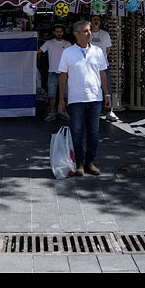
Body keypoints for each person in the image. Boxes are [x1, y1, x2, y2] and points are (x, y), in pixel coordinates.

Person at [57, 20, 112, 176]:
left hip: (95, 98)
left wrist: (106, 93)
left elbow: (103, 73)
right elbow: (63, 77)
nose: (90, 33)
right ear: (77, 34)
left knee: (94, 133)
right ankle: (79, 163)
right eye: (86, 31)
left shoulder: (98, 52)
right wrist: (61, 99)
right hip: (76, 99)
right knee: (77, 132)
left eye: (90, 31)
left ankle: (90, 162)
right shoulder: (68, 53)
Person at [38, 24, 71, 121]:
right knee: (52, 95)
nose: (59, 33)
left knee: (65, 95)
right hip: (52, 72)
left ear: (63, 32)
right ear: (54, 33)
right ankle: (52, 112)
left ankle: (64, 112)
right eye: (57, 32)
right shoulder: (49, 43)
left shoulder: (68, 44)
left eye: (60, 31)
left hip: (64, 73)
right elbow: (38, 51)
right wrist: (35, 39)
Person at [90, 14, 120, 122]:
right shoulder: (87, 34)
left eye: (97, 20)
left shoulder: (105, 34)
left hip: (103, 66)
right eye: (94, 20)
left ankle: (109, 111)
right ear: (91, 22)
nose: (96, 21)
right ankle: (93, 111)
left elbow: (107, 50)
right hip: (90, 67)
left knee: (107, 88)